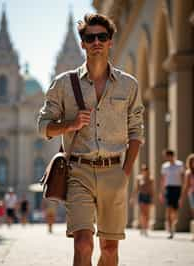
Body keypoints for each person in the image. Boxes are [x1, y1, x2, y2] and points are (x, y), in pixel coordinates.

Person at [38, 13, 144, 266]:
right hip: (78, 172)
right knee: (83, 244)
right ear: (83, 43)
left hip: (114, 173)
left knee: (109, 249)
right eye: (90, 37)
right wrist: (70, 125)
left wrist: (125, 173)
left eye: (102, 37)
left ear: (110, 42)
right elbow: (43, 127)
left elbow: (136, 132)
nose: (96, 41)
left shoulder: (128, 85)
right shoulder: (63, 84)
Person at [159, 149, 184, 239]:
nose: (165, 158)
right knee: (168, 209)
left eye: (166, 156)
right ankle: (170, 231)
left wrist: (182, 193)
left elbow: (182, 178)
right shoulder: (164, 166)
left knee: (175, 210)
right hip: (168, 189)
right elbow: (163, 179)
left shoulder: (180, 164)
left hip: (177, 188)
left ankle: (173, 226)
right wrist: (161, 192)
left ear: (171, 155)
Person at [131, 164, 154, 236]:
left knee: (147, 213)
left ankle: (146, 228)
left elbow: (152, 189)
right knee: (142, 213)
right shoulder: (139, 178)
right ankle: (142, 228)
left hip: (148, 196)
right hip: (141, 196)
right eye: (143, 169)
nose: (145, 171)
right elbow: (136, 188)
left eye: (146, 169)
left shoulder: (150, 178)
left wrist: (153, 198)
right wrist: (132, 197)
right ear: (141, 170)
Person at [179, 153, 194, 240]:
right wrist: (181, 197)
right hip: (192, 194)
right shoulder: (188, 173)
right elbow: (186, 186)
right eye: (192, 161)